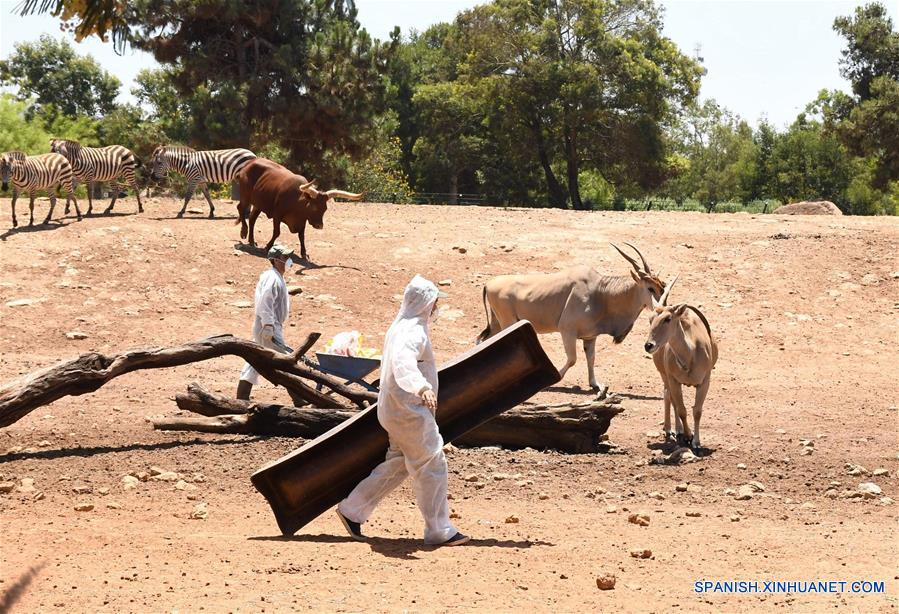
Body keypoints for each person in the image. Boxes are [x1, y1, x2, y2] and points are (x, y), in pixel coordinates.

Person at [335, 275, 469, 547]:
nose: (436, 309)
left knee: (398, 464)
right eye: (434, 303)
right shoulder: (413, 331)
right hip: (409, 411)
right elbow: (403, 363)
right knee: (432, 462)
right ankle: (438, 529)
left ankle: (353, 509)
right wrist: (421, 387)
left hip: (394, 410)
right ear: (426, 303)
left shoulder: (402, 326)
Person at [236, 244, 295, 400]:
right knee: (285, 362)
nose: (288, 260)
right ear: (275, 260)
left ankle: (242, 397)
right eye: (285, 257)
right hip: (268, 326)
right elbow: (265, 301)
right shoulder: (272, 278)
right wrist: (268, 325)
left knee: (256, 361)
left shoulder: (276, 277)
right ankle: (299, 399)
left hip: (268, 325)